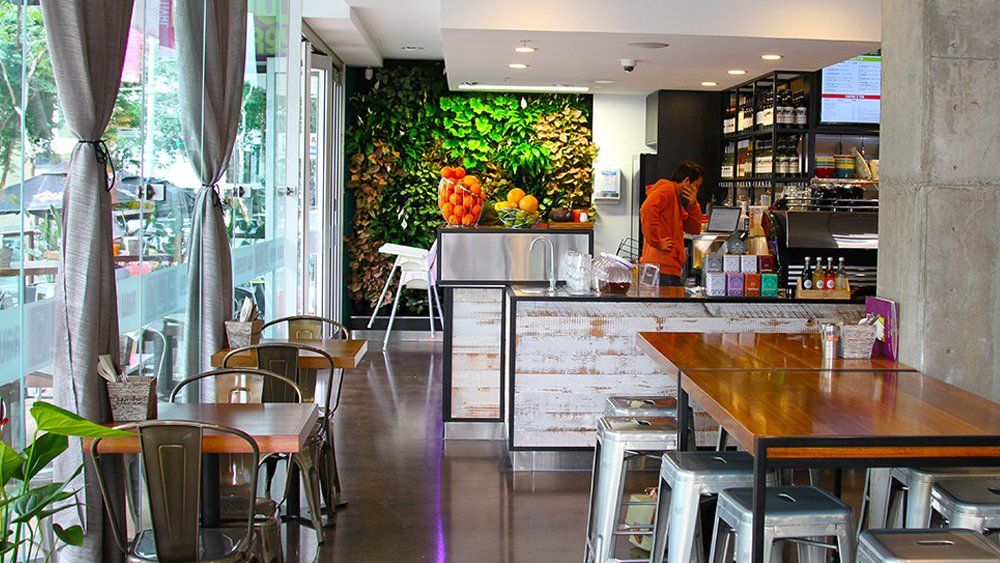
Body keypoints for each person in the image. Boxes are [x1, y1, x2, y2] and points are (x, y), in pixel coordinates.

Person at [639, 160, 705, 286]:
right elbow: (646, 209)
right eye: (696, 185)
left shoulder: (674, 196)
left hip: (660, 267)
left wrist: (693, 205)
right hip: (663, 267)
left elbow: (692, 229)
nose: (696, 190)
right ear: (686, 181)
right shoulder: (668, 190)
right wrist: (656, 241)